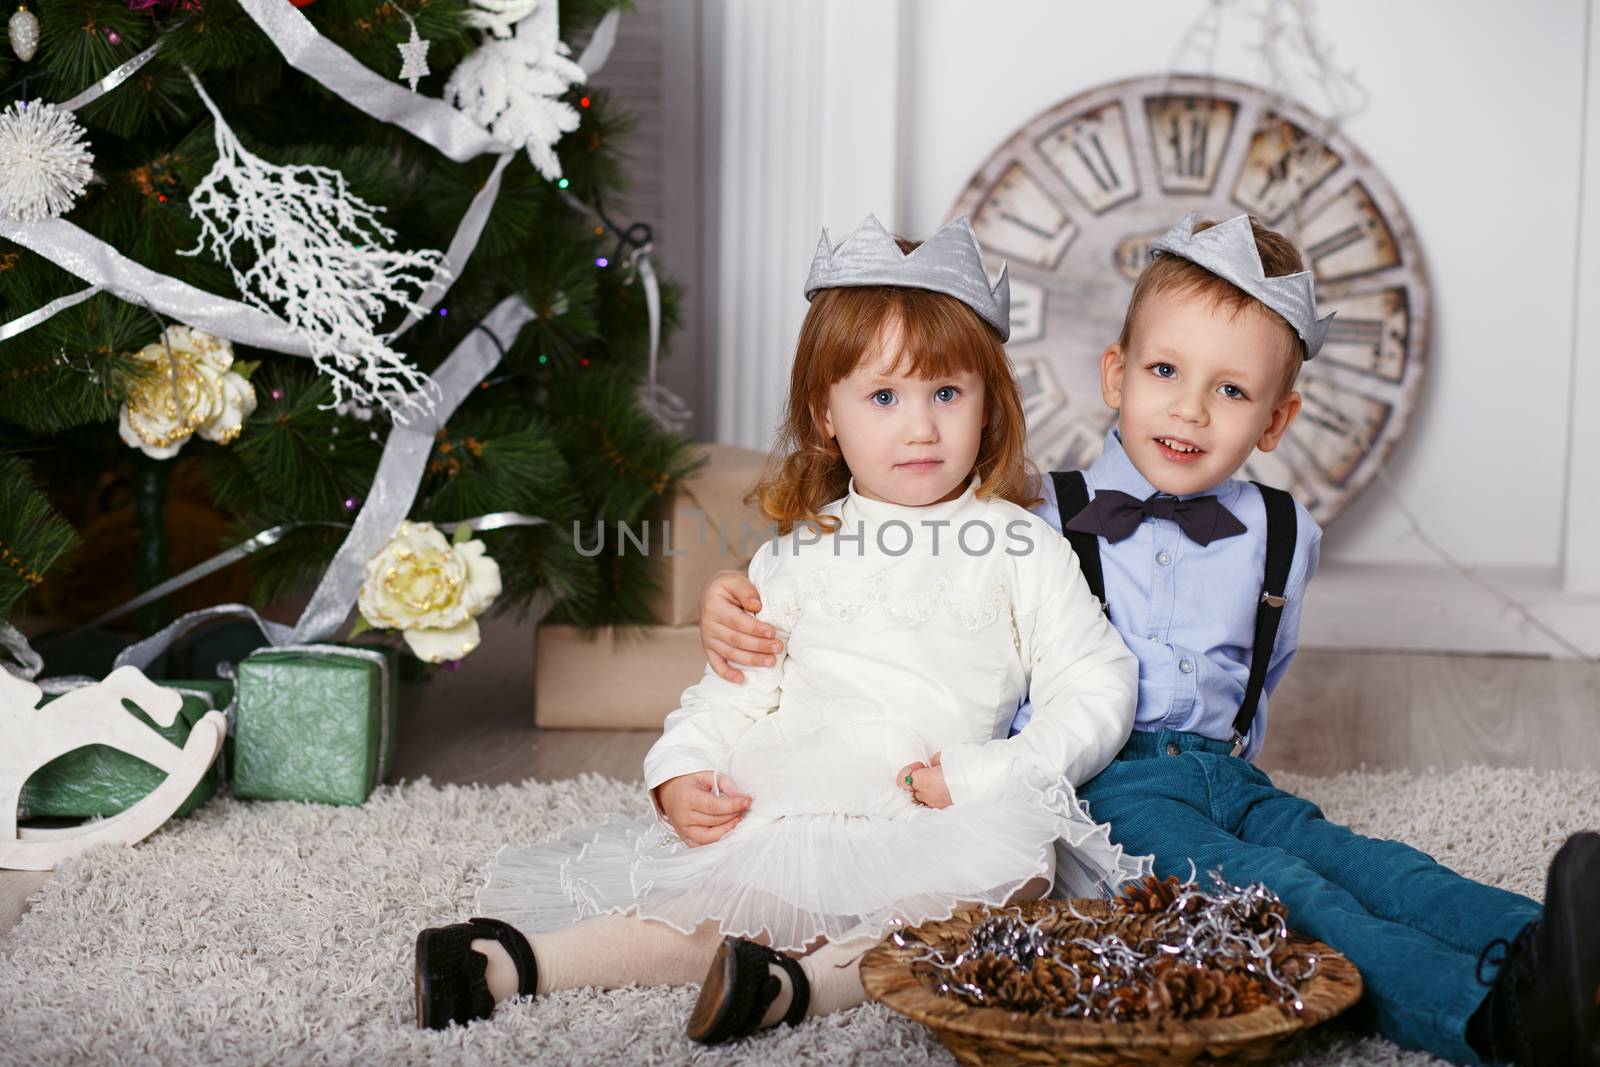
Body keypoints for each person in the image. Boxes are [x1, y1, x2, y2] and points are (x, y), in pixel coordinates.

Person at [698, 212, 1600, 1066]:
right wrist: (734, 600)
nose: (1192, 411)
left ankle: (1563, 953)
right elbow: (881, 563)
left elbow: (1263, 666)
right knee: (1286, 894)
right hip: (1109, 789)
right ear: (1115, 376)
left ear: (1275, 420)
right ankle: (1498, 1018)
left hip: (1229, 768)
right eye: (1166, 372)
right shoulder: (1031, 508)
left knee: (1373, 863)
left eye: (1233, 389)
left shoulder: (1286, 533)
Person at [413, 214, 1148, 1045]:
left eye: (947, 393)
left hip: (934, 804)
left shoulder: (1021, 544)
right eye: (883, 396)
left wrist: (992, 774)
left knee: (1014, 878)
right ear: (824, 413)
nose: (919, 426)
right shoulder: (799, 554)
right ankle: (507, 960)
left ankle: (794, 987)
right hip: (799, 795)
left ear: (989, 403)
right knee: (701, 909)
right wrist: (681, 767)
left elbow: (1096, 683)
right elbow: (734, 689)